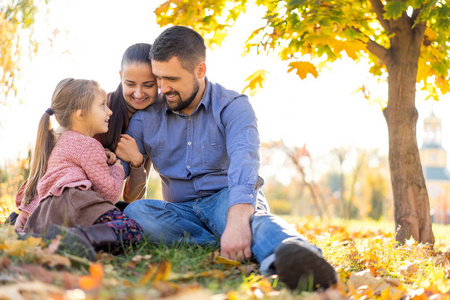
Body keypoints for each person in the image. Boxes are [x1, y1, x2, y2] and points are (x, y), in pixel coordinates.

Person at [122, 25, 338, 291]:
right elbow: (115, 172)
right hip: (181, 212)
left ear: (200, 70)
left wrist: (236, 218)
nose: (163, 88)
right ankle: (232, 240)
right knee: (136, 212)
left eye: (172, 79)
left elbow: (244, 162)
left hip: (227, 197)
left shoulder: (233, 106)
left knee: (249, 218)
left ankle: (293, 255)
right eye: (159, 78)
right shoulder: (146, 116)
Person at [12, 43, 158, 228]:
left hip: (92, 200)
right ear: (121, 77)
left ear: (158, 81)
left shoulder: (152, 122)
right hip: (63, 199)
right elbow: (57, 167)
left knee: (128, 218)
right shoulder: (96, 114)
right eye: (130, 84)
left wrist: (137, 163)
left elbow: (132, 201)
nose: (138, 93)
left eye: (148, 85)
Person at [16, 78, 143, 260]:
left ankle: (58, 237)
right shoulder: (89, 145)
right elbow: (109, 194)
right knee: (132, 229)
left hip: (50, 209)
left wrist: (28, 213)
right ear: (80, 114)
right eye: (102, 106)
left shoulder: (57, 141)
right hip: (75, 200)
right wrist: (116, 168)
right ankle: (80, 238)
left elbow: (45, 182)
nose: (109, 111)